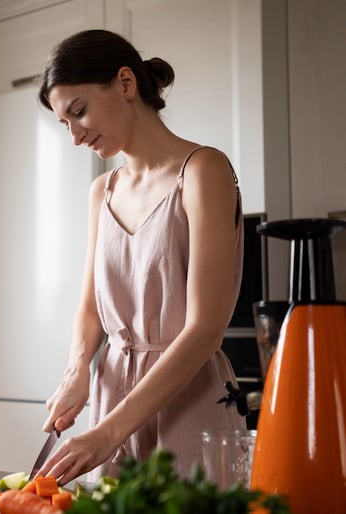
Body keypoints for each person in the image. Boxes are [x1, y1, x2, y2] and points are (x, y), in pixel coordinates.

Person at [35, 29, 246, 485]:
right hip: (112, 397)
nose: (74, 136)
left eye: (79, 111)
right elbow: (91, 307)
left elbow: (205, 329)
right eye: (64, 123)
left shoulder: (203, 170)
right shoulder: (102, 191)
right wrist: (77, 373)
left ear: (126, 83)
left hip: (189, 400)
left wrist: (108, 431)